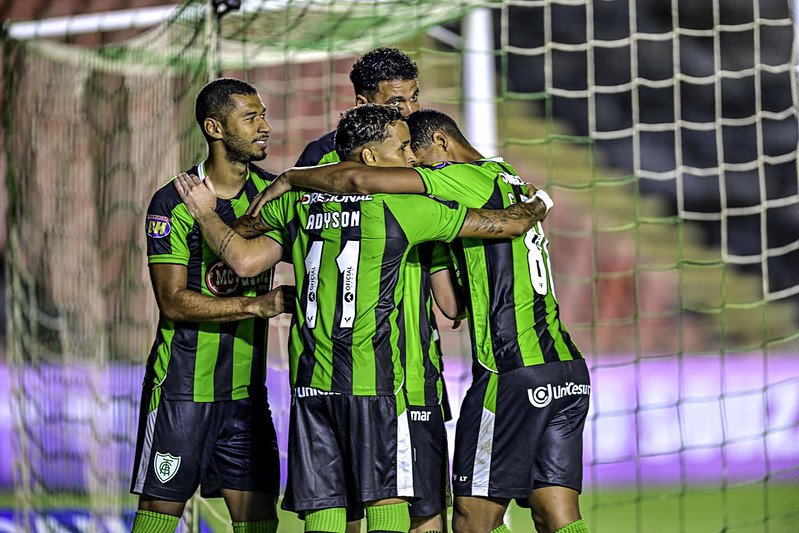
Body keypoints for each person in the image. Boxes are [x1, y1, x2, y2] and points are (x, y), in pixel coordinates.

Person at [174, 104, 548, 533]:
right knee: (394, 507)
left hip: (312, 384)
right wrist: (535, 204)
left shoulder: (297, 202)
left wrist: (205, 214)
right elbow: (503, 230)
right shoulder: (408, 208)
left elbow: (241, 259)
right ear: (371, 158)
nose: (412, 157)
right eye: (403, 147)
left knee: (327, 512)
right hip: (378, 383)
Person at [295, 46, 456, 533]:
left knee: (419, 508)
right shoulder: (328, 162)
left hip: (409, 369)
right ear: (362, 101)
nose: (409, 110)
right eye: (395, 101)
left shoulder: (415, 157)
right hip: (371, 370)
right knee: (367, 511)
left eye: (413, 98)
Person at [130, 78, 292, 533]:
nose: (265, 126)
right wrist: (255, 306)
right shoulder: (173, 202)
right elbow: (173, 302)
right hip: (182, 391)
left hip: (246, 396)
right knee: (159, 518)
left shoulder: (271, 196)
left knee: (260, 519)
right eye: (251, 117)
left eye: (263, 115)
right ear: (214, 128)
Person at [295, 46, 421, 167]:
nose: (411, 112)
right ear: (363, 104)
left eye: (413, 98)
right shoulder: (323, 154)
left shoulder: (429, 140)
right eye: (394, 103)